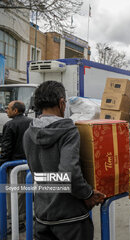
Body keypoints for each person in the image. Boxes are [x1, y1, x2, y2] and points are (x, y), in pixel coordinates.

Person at [23, 81, 106, 240]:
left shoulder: (29, 133)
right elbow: (70, 174)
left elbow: (37, 173)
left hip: (42, 215)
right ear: (61, 103)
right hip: (70, 218)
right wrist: (87, 194)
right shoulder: (68, 131)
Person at [0, 101, 32, 233]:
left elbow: (6, 148)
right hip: (27, 164)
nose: (6, 110)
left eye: (8, 108)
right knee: (22, 194)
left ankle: (18, 222)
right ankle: (19, 217)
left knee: (13, 192)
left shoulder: (10, 124)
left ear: (15, 111)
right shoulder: (31, 121)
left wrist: (2, 163)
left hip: (13, 166)